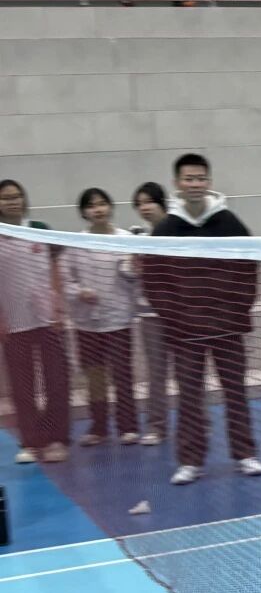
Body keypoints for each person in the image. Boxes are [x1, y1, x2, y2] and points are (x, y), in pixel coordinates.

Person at [141, 154, 261, 485]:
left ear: (209, 182)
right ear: (177, 184)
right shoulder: (166, 230)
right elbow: (153, 281)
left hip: (228, 327)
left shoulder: (230, 223)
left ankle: (245, 454)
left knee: (235, 392)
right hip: (185, 331)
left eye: (200, 178)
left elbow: (248, 268)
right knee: (189, 397)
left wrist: (237, 311)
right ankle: (190, 460)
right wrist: (175, 317)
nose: (195, 184)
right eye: (188, 178)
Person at [0, 179, 71, 464]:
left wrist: (58, 309)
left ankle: (56, 439)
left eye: (16, 196)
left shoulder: (40, 230)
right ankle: (30, 442)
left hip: (48, 321)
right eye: (6, 198)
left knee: (57, 380)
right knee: (22, 385)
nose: (12, 202)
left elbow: (55, 272)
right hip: (14, 323)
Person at [65, 188, 139, 447]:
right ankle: (99, 427)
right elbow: (66, 280)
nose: (98, 210)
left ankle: (128, 426)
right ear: (84, 212)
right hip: (87, 324)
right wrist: (79, 292)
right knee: (95, 378)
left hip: (119, 320)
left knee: (122, 375)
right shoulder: (75, 243)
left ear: (110, 207)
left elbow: (134, 277)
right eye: (91, 206)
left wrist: (134, 266)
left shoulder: (126, 239)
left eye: (102, 204)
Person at [132, 181, 173, 444]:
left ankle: (200, 423)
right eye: (140, 204)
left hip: (181, 314)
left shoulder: (178, 232)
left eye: (149, 201)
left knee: (190, 373)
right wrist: (133, 262)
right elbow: (130, 274)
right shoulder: (139, 237)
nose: (144, 207)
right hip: (150, 316)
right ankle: (157, 426)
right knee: (156, 374)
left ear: (161, 203)